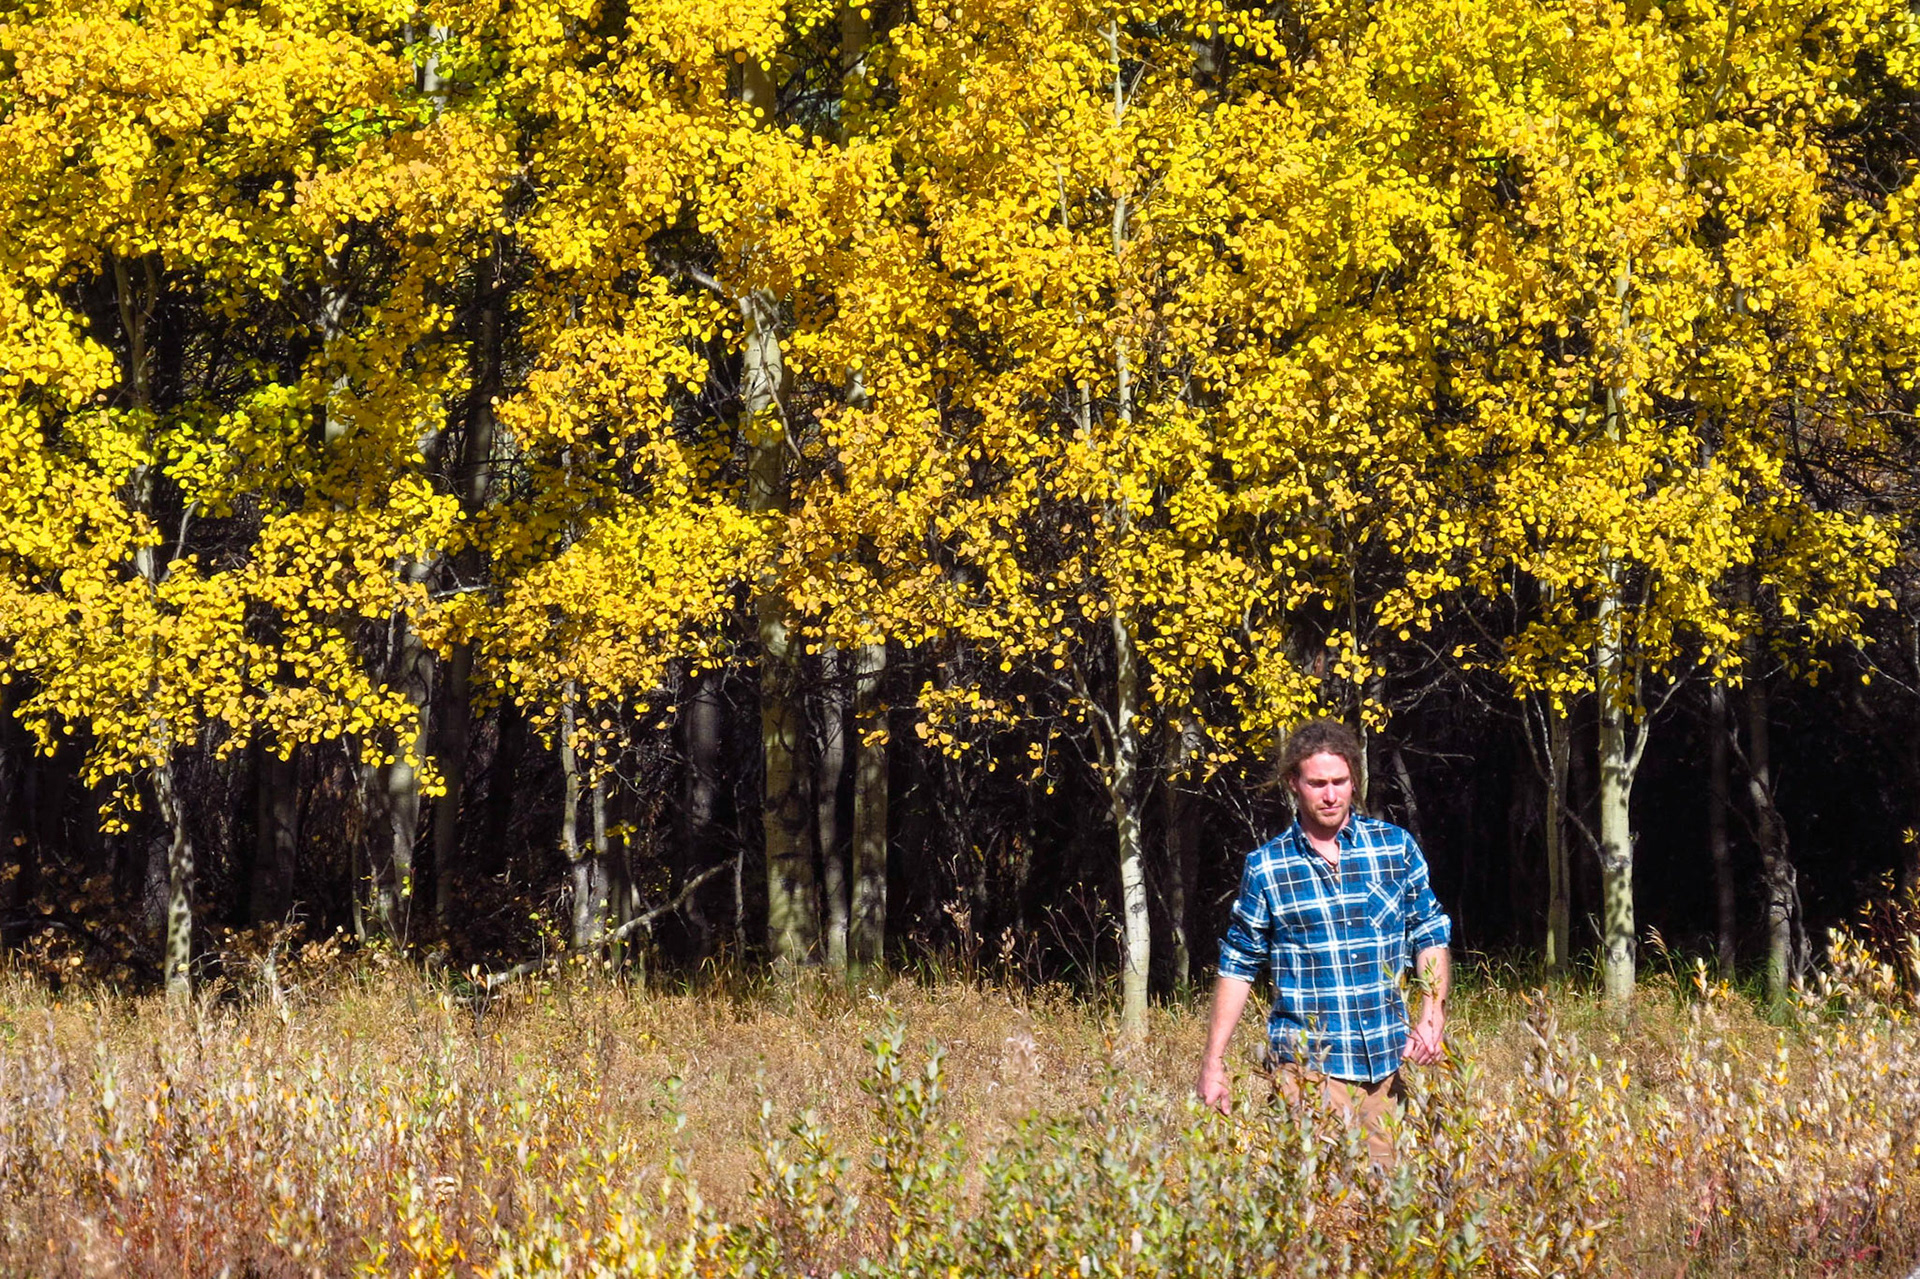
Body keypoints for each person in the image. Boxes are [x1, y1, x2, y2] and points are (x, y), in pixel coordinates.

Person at [1195, 717, 1452, 1166]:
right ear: (1294, 783)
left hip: (1387, 1065)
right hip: (1305, 1072)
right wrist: (1213, 1062)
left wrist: (1432, 1013)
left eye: (1340, 781)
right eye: (1317, 783)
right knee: (1316, 1212)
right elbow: (1238, 964)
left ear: (1355, 780)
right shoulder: (1267, 867)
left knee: (1387, 1210)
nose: (1330, 795)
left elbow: (1429, 931)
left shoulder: (1395, 848)